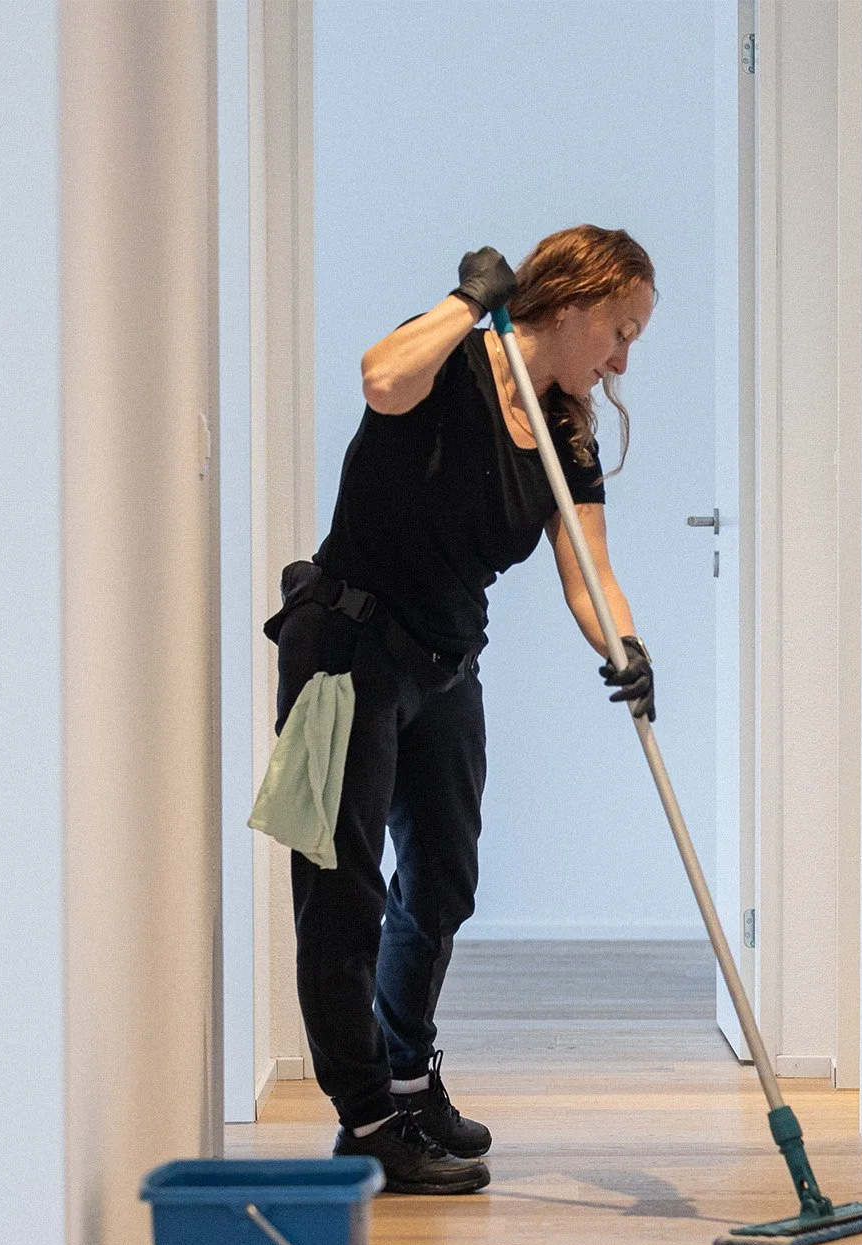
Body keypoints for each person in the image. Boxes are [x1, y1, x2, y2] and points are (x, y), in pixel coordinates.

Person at [264, 226, 658, 1194]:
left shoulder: (566, 427)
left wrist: (627, 647)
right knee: (342, 891)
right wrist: (462, 299)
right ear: (567, 305)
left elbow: (588, 567)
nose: (620, 357)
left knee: (442, 881)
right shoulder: (450, 359)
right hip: (349, 649)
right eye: (618, 328)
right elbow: (379, 380)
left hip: (443, 659)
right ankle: (366, 1122)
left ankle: (407, 1070)